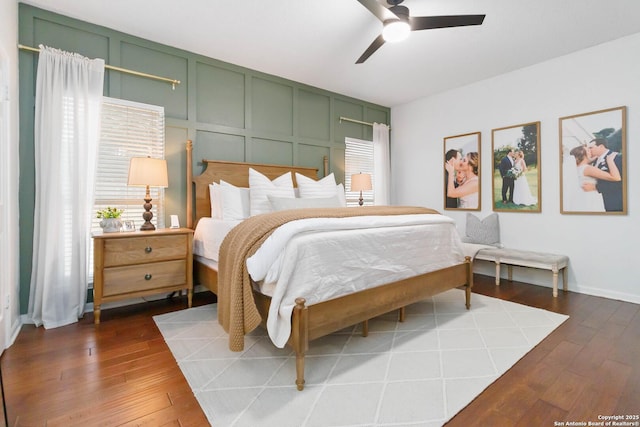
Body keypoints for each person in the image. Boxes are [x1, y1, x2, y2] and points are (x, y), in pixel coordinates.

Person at [577, 139, 622, 211]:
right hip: (597, 201)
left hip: (613, 202)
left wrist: (597, 187)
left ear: (601, 146)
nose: (589, 150)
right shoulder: (594, 161)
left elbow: (622, 182)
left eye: (591, 147)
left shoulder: (617, 158)